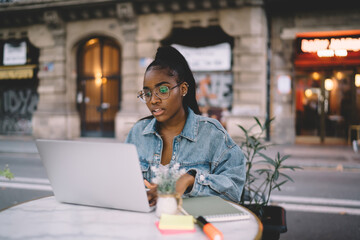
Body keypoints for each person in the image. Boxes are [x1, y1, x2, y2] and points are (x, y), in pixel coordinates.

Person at [125, 46, 245, 207]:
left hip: (193, 227)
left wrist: (190, 180)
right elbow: (121, 183)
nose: (153, 100)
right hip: (144, 226)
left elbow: (234, 189)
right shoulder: (138, 133)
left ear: (183, 89)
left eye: (162, 90)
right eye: (147, 93)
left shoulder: (211, 133)